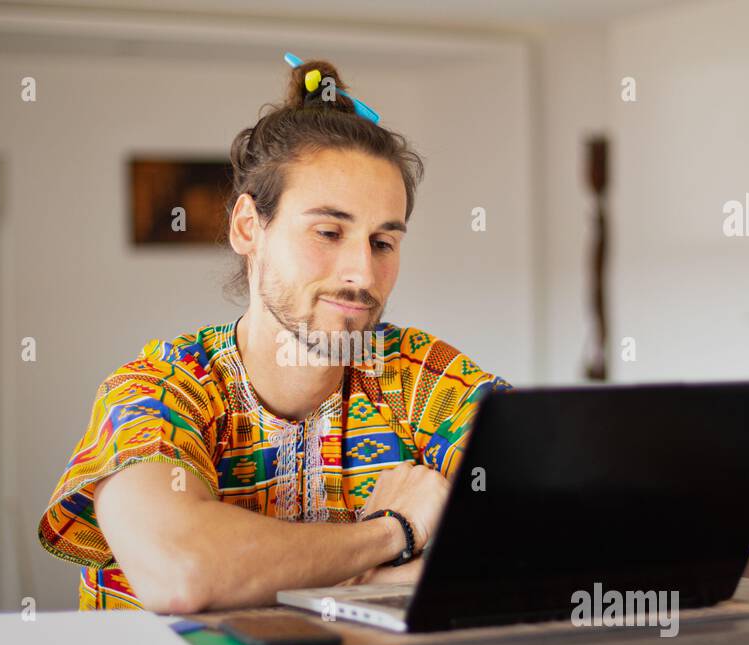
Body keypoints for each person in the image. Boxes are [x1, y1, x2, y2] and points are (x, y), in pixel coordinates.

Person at [37, 57, 509, 612]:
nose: (362, 272)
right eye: (328, 232)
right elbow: (185, 573)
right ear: (247, 228)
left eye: (383, 242)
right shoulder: (159, 391)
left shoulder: (420, 380)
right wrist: (392, 534)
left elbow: (569, 526)